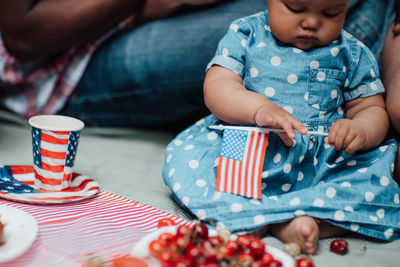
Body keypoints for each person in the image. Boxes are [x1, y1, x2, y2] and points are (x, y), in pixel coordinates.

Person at [162, 0, 400, 255]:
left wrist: (361, 130)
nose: (311, 23)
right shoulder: (246, 33)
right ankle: (253, 215)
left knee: (370, 187)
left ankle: (295, 220)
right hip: (250, 145)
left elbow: (370, 107)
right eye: (296, 9)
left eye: (331, 13)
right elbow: (218, 86)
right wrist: (257, 109)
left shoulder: (351, 52)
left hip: (319, 164)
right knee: (202, 170)